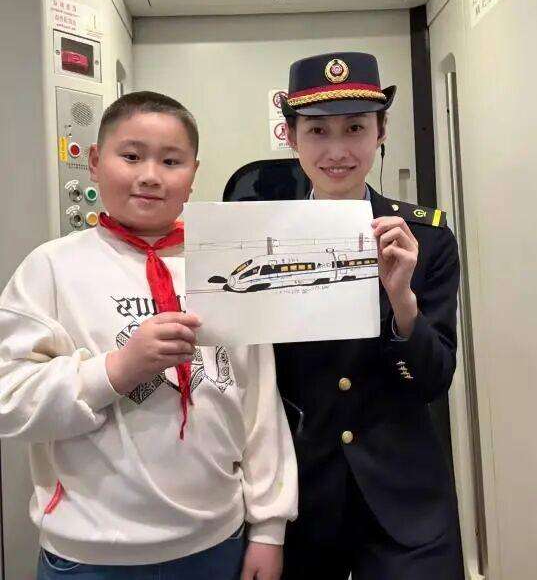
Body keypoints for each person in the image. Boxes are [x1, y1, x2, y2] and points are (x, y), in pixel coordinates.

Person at [0, 91, 297, 580]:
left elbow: (259, 404)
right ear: (95, 162)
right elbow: (9, 401)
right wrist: (115, 370)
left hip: (216, 540)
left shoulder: (225, 265)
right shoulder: (51, 268)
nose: (151, 175)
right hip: (89, 555)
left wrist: (269, 528)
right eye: (131, 156)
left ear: (193, 174)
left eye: (171, 161)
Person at [274, 53, 463, 580]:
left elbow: (434, 380)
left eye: (355, 128)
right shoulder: (263, 240)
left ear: (381, 131)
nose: (338, 151)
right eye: (317, 130)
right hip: (301, 494)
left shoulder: (425, 239)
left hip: (406, 498)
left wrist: (403, 301)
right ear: (291, 137)